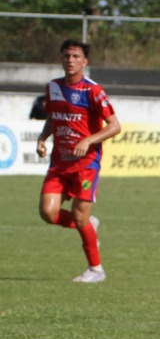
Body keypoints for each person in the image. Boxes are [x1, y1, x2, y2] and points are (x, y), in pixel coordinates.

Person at [35, 39, 121, 284]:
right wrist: (43, 138)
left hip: (87, 164)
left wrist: (89, 140)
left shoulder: (92, 91)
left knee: (79, 217)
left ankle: (96, 270)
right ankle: (88, 226)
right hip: (59, 164)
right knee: (47, 213)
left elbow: (115, 126)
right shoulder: (53, 87)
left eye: (75, 56)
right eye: (66, 56)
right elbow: (53, 117)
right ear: (61, 59)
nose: (70, 60)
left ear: (85, 61)